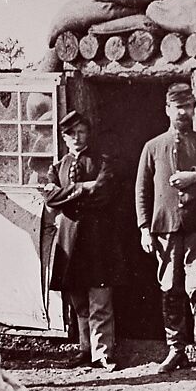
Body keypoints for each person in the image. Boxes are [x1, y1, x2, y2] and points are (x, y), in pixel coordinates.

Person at [135, 83, 196, 374]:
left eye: (188, 107)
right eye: (178, 107)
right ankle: (175, 350)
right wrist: (143, 227)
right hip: (165, 229)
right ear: (167, 110)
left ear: (194, 109)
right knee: (170, 289)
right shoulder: (153, 147)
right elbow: (141, 190)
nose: (183, 112)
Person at [43, 111, 126, 372]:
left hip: (97, 237)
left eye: (80, 132)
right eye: (71, 134)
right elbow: (50, 199)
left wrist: (70, 194)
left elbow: (102, 193)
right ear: (64, 138)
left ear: (87, 133)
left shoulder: (102, 161)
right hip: (70, 239)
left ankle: (103, 352)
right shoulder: (58, 167)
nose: (76, 138)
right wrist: (82, 188)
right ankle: (85, 348)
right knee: (77, 297)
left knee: (99, 296)